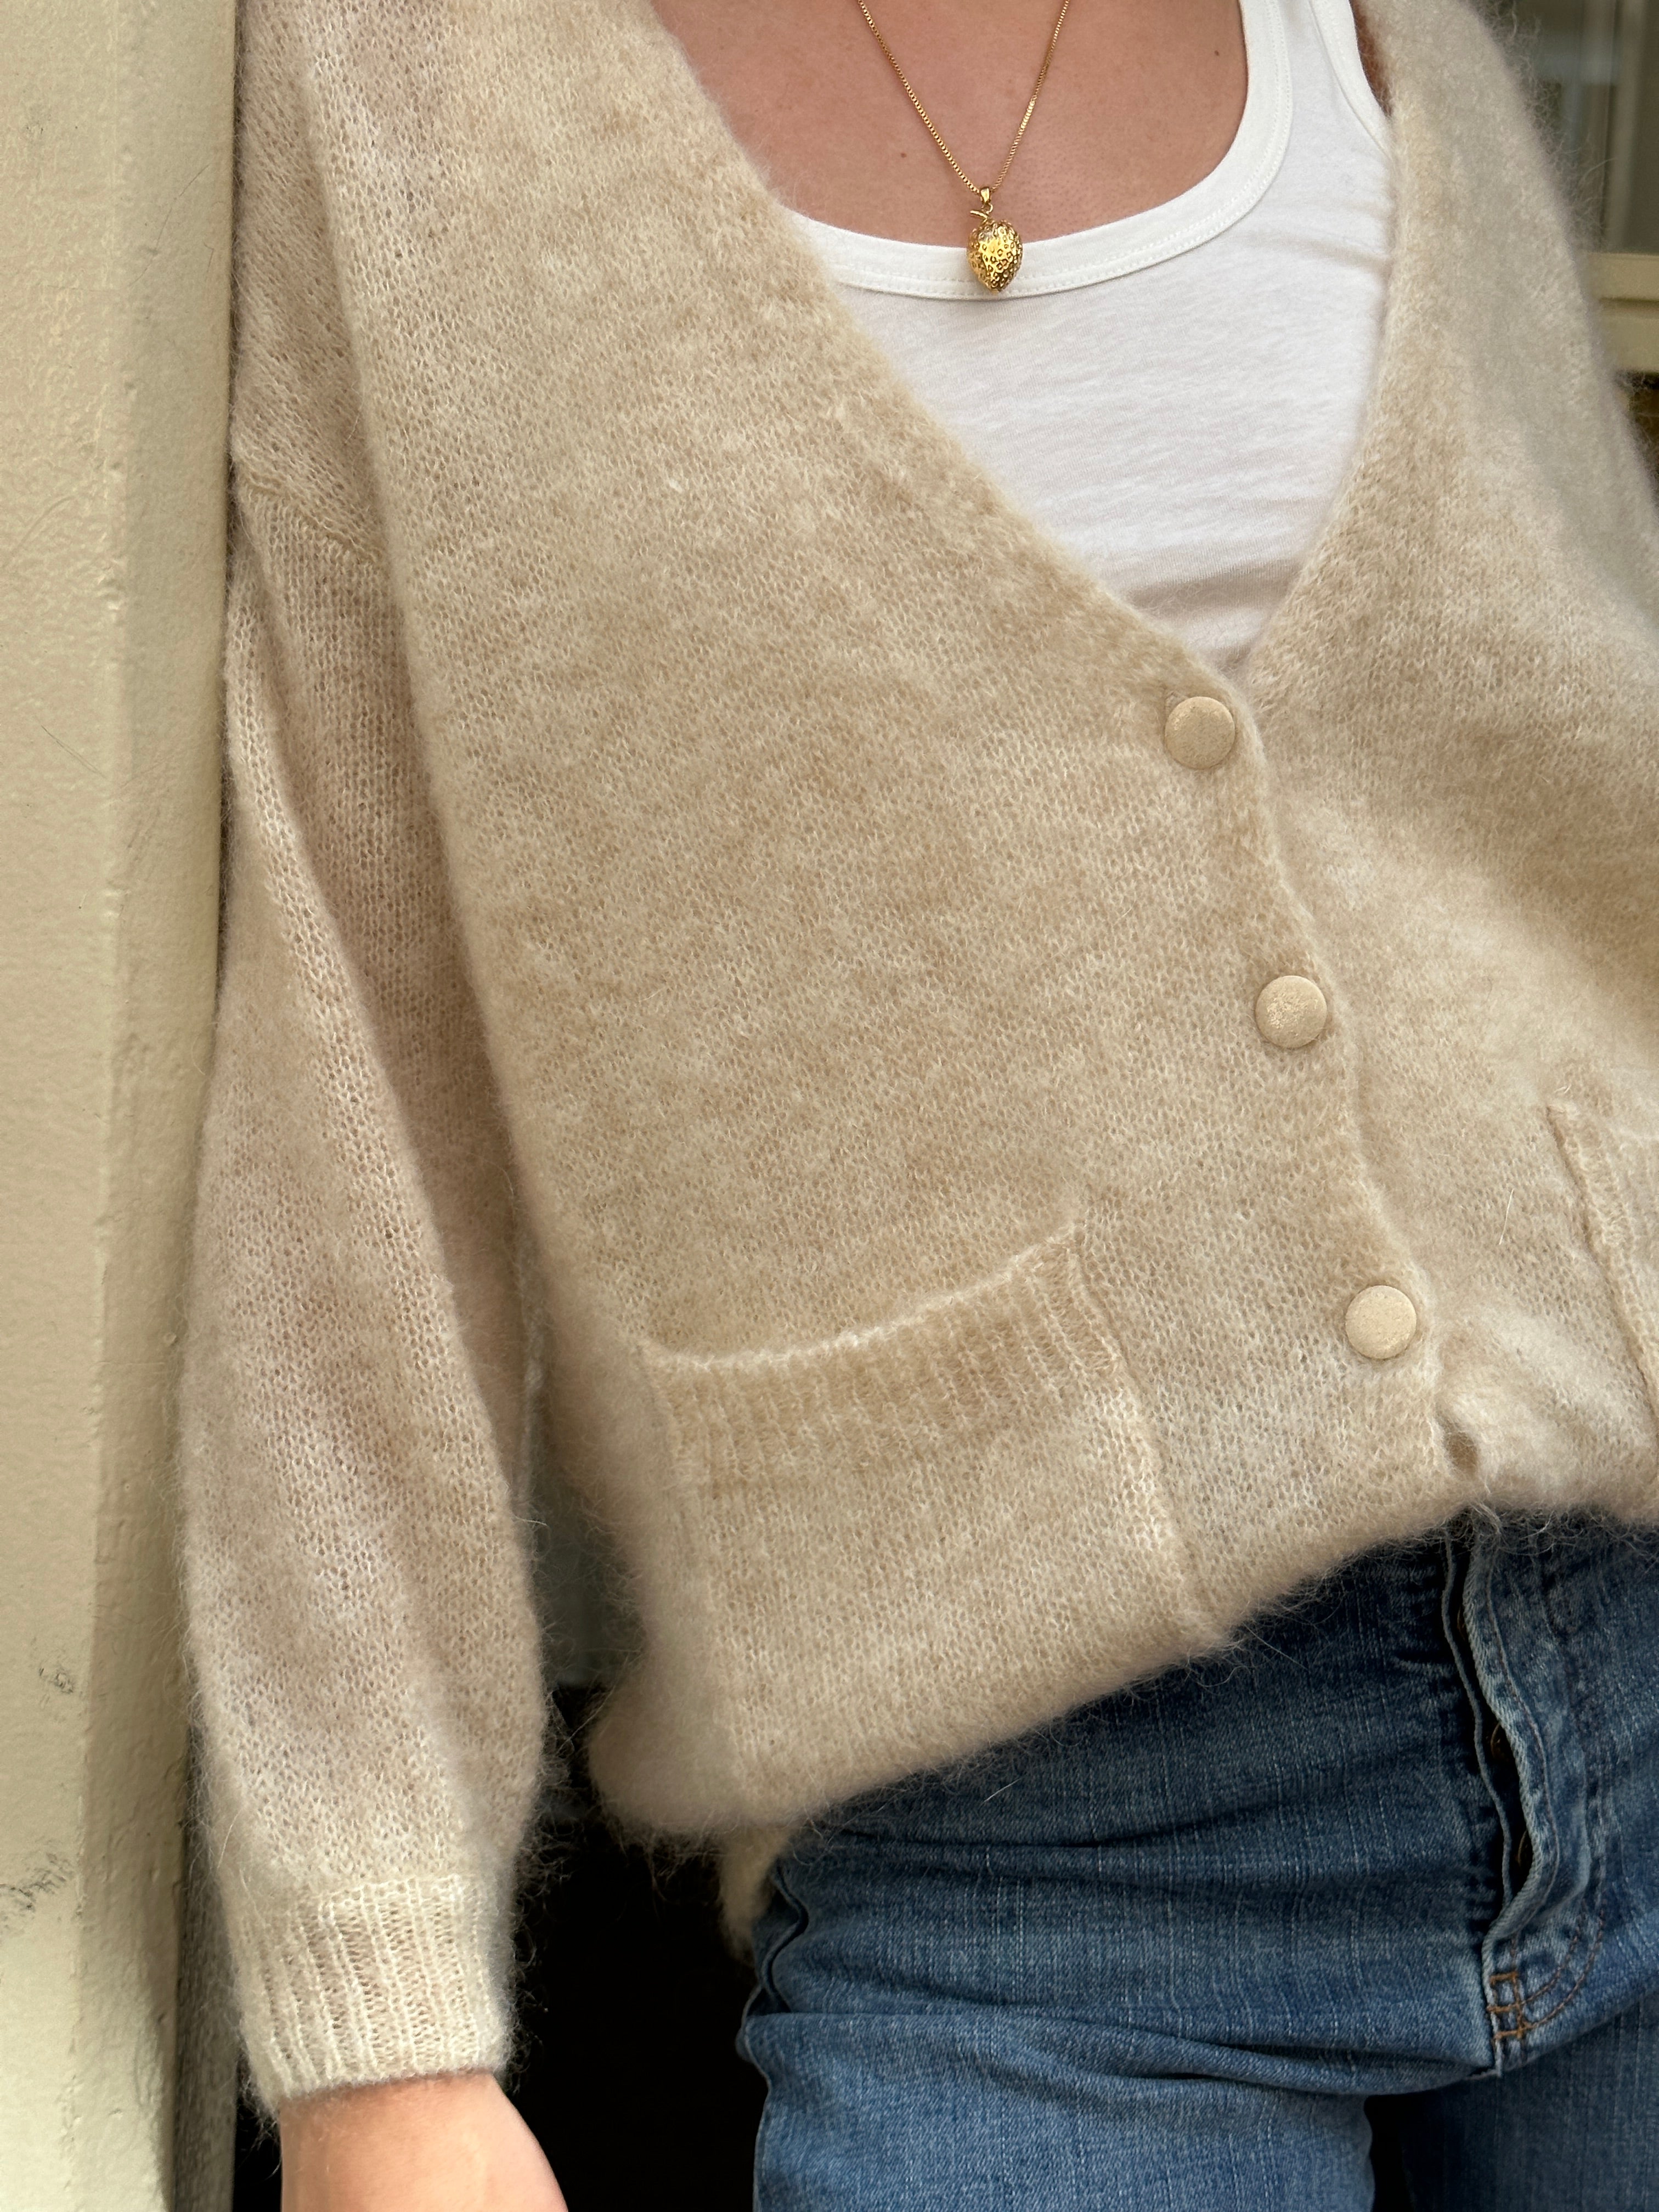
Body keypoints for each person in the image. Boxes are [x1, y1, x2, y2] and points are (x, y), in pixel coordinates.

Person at [178, 0, 1659, 2203]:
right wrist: (375, 2039)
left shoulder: (1372, 35)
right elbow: (354, 1064)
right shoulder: (399, 81)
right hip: (1038, 1868)